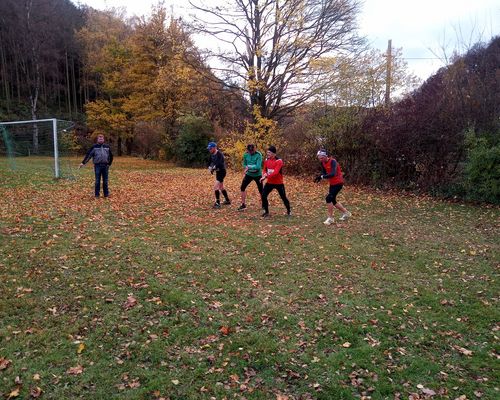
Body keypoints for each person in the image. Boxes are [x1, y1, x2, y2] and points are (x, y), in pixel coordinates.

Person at [314, 149, 351, 225]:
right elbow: (324, 173)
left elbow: (333, 173)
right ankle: (346, 213)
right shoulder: (323, 163)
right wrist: (319, 177)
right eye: (319, 158)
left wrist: (322, 177)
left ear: (325, 156)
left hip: (338, 183)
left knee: (328, 198)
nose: (320, 159)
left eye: (321, 157)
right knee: (333, 200)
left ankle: (330, 218)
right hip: (332, 183)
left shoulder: (333, 161)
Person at [79, 133, 113, 198]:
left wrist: (109, 164)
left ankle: (106, 195)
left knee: (105, 181)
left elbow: (111, 156)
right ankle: (97, 195)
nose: (101, 140)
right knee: (97, 181)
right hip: (97, 166)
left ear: (103, 139)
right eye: (99, 139)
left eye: (102, 138)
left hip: (105, 166)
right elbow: (89, 155)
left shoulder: (107, 147)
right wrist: (83, 163)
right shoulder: (94, 147)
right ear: (97, 140)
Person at [260, 145, 291, 217]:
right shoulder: (267, 160)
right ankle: (266, 212)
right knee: (263, 195)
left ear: (274, 154)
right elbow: (264, 169)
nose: (267, 154)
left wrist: (265, 176)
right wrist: (264, 174)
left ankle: (289, 211)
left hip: (278, 183)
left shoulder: (279, 161)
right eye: (267, 152)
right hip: (269, 183)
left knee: (283, 197)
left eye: (269, 153)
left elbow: (275, 173)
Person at [238, 144, 263, 211]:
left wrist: (249, 167)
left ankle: (264, 204)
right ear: (247, 150)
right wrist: (245, 167)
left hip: (258, 175)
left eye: (252, 150)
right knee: (242, 187)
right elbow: (244, 164)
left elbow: (258, 166)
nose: (251, 152)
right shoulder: (245, 155)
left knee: (261, 189)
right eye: (249, 151)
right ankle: (243, 204)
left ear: (255, 149)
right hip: (249, 174)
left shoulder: (258, 155)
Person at [207, 141, 231, 208]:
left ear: (214, 148)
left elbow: (220, 163)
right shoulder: (211, 154)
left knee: (215, 187)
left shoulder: (219, 154)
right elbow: (209, 162)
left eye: (210, 148)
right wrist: (209, 167)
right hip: (218, 172)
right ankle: (227, 200)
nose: (209, 150)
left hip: (222, 172)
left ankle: (218, 203)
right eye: (209, 149)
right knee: (221, 187)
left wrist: (214, 167)